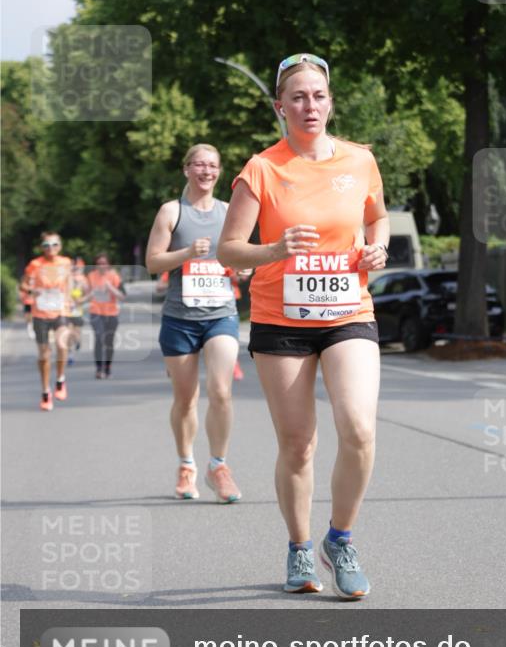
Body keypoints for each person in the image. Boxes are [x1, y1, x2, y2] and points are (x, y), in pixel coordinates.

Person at [218, 53, 389, 599]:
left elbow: (376, 215)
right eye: (297, 96)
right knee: (298, 444)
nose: (308, 105)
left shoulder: (360, 160)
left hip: (348, 313)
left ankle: (340, 538)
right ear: (280, 107)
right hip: (280, 321)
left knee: (359, 428)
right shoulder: (261, 170)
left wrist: (376, 245)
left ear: (331, 102)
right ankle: (298, 547)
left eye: (317, 95)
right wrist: (274, 248)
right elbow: (229, 249)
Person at [146, 143, 242, 504]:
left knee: (221, 391)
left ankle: (219, 466)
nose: (206, 171)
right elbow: (153, 263)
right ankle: (186, 464)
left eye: (213, 165)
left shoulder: (230, 212)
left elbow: (241, 255)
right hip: (179, 319)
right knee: (185, 400)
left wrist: (243, 267)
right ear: (186, 169)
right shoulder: (172, 212)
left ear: (219, 171)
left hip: (221, 314)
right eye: (199, 164)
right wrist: (187, 253)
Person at [21, 232, 73, 411]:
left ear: (60, 246)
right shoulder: (35, 264)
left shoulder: (65, 262)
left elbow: (69, 282)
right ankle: (45, 392)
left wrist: (69, 298)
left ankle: (60, 379)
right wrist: (31, 291)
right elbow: (24, 285)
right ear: (41, 247)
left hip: (60, 311)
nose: (50, 248)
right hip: (40, 312)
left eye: (54, 244)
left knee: (62, 344)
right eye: (46, 245)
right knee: (44, 355)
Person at [83, 254, 123, 379]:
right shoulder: (90, 276)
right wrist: (84, 297)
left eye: (104, 263)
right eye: (99, 263)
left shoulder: (114, 276)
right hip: (96, 312)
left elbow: (122, 296)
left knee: (109, 342)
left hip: (111, 313)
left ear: (108, 264)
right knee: (99, 338)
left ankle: (107, 367)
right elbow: (87, 294)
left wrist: (110, 287)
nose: (101, 265)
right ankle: (99, 368)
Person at [67, 257, 87, 365]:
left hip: (77, 310)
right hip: (66, 310)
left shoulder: (83, 280)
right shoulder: (66, 278)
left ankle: (78, 341)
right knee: (69, 333)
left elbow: (87, 294)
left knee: (76, 332)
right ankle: (70, 355)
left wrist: (81, 300)